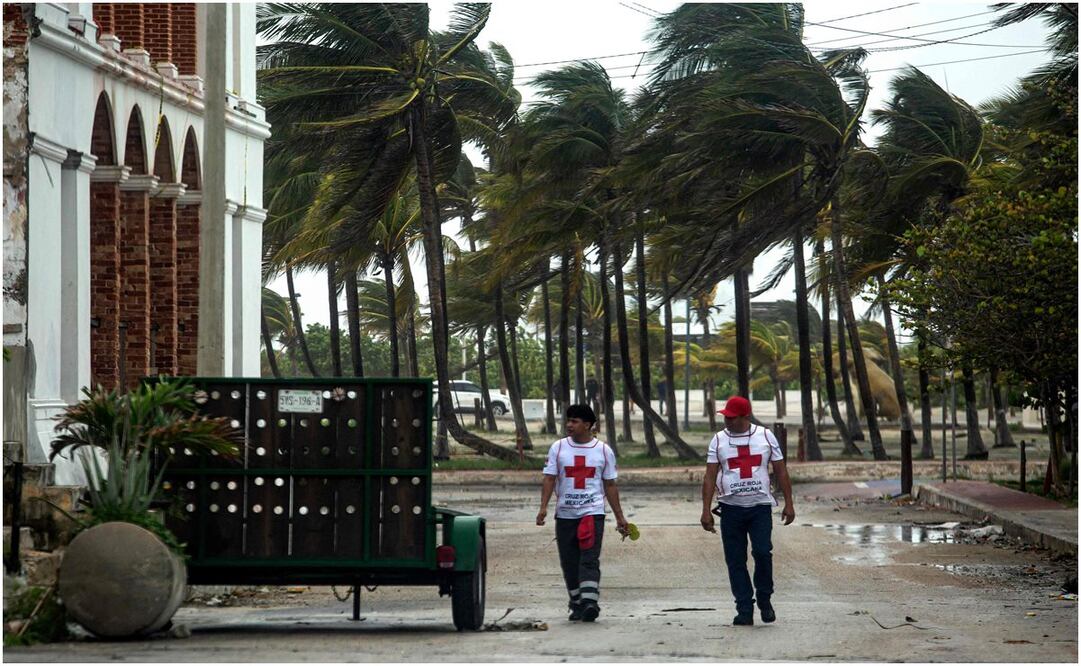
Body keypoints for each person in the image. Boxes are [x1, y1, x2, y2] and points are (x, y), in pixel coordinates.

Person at [700, 395, 794, 626]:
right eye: (726, 417)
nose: (727, 421)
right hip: (730, 509)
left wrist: (789, 503)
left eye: (732, 417)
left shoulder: (765, 436)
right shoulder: (718, 440)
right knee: (735, 560)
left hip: (759, 507)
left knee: (762, 552)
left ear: (745, 416)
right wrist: (705, 510)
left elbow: (781, 470)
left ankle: (764, 597)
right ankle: (744, 608)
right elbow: (710, 476)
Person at [537, 404, 629, 622]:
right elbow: (549, 478)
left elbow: (610, 485)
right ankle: (577, 603)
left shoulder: (603, 451)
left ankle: (590, 602)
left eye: (575, 421)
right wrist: (543, 508)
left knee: (589, 559)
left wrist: (620, 517)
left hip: (592, 513)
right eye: (568, 420)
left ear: (587, 425)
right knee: (569, 562)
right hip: (565, 515)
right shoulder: (558, 448)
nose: (569, 425)